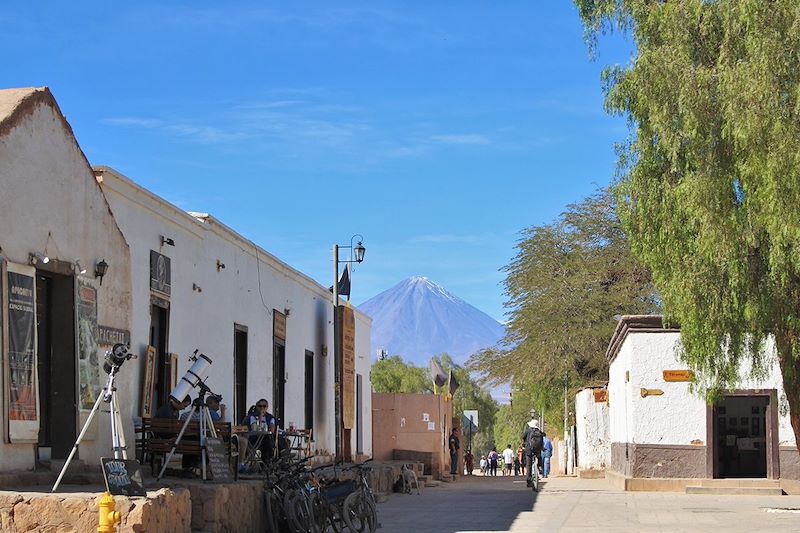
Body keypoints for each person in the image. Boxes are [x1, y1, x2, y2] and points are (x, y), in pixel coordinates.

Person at [522, 411, 545, 487]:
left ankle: (529, 480)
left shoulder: (528, 431)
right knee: (539, 457)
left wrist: (524, 443)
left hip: (529, 449)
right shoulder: (539, 432)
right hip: (537, 449)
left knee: (529, 465)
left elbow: (523, 437)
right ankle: (540, 466)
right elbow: (543, 438)